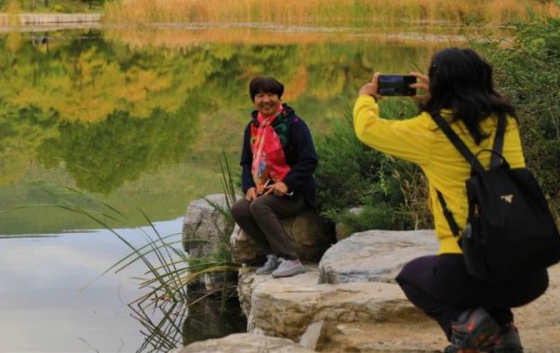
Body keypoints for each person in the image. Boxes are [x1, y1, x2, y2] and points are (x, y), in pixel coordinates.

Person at [353, 48, 549, 353]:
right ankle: (505, 333)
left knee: (411, 277)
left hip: (464, 270)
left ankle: (467, 329)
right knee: (492, 261)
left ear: (439, 83)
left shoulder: (431, 130)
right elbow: (470, 115)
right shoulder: (505, 122)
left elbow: (367, 129)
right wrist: (443, 95)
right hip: (528, 275)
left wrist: (367, 98)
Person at [231, 76, 319, 278]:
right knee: (239, 209)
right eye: (260, 95)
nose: (266, 100)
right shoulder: (252, 127)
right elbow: (246, 163)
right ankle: (274, 256)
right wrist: (249, 187)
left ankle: (290, 259)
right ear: (254, 100)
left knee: (259, 206)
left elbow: (309, 160)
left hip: (295, 193)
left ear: (279, 97)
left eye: (271, 94)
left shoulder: (294, 124)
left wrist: (287, 183)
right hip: (265, 189)